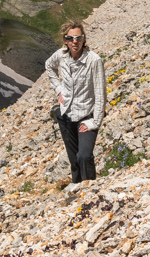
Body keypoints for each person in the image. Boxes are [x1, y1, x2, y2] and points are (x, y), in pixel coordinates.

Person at [44, 21, 106, 184]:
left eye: (78, 38)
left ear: (84, 38)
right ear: (65, 39)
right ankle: (77, 192)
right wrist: (58, 89)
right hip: (66, 114)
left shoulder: (94, 60)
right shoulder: (61, 55)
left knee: (84, 155)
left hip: (86, 115)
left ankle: (91, 189)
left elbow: (100, 94)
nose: (75, 41)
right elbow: (48, 66)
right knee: (74, 161)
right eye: (70, 38)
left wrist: (95, 122)